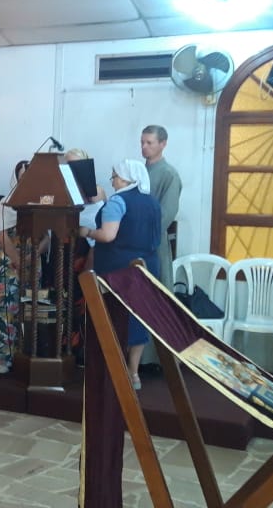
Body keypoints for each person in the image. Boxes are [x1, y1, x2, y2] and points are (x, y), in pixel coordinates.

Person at [78, 159, 162, 390]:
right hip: (147, 266)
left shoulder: (118, 201)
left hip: (118, 267)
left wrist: (86, 232)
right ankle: (133, 373)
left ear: (126, 178)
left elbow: (108, 235)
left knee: (116, 317)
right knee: (140, 318)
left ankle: (113, 373)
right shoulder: (152, 201)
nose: (112, 180)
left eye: (115, 176)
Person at [0, 160, 30, 373]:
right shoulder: (6, 204)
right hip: (9, 263)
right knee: (6, 309)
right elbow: (1, 235)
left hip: (32, 263)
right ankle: (3, 357)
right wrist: (18, 260)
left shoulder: (41, 204)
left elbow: (47, 238)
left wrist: (31, 258)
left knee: (28, 310)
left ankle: (25, 355)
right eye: (23, 177)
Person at [141, 125, 181, 288]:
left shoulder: (169, 174)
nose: (144, 147)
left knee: (156, 289)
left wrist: (143, 234)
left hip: (153, 241)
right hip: (133, 241)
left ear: (163, 144)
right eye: (142, 142)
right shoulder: (138, 172)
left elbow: (167, 213)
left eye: (149, 143)